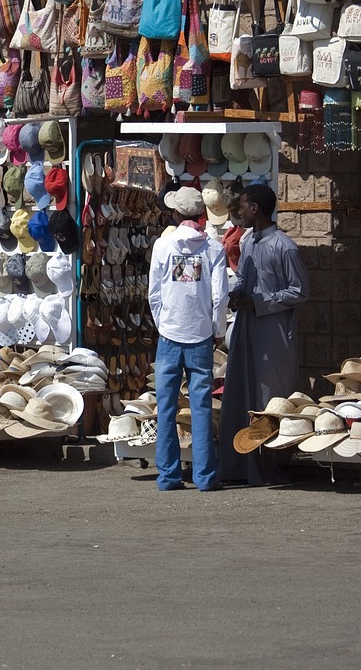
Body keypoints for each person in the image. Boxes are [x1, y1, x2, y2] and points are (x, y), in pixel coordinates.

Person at [219, 183, 310, 486]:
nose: (239, 210)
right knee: (241, 393)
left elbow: (299, 291)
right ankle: (240, 465)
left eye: (243, 205)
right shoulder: (248, 243)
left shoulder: (284, 246)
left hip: (272, 336)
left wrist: (258, 303)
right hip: (246, 329)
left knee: (268, 398)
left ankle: (271, 468)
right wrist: (232, 294)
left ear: (255, 208)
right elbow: (244, 278)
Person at [147, 186, 228, 492]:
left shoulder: (164, 246)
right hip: (200, 335)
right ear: (203, 215)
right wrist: (217, 331)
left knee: (166, 407)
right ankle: (205, 476)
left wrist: (163, 324)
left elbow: (154, 294)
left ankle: (168, 476)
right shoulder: (213, 248)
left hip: (169, 334)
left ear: (176, 214)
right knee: (201, 407)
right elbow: (220, 296)